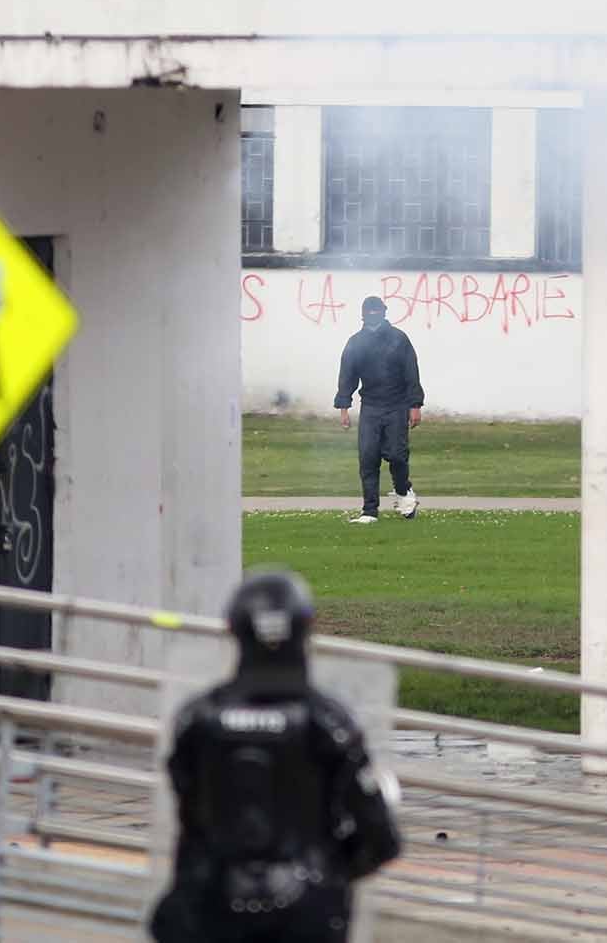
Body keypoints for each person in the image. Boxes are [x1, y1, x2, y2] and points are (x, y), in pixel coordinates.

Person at [149, 570, 401, 943]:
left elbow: (188, 817)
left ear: (234, 629)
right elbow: (380, 838)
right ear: (305, 629)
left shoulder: (197, 721)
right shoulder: (329, 724)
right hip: (306, 914)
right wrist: (330, 869)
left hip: (213, 908)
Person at [334, 296, 424, 524]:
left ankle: (404, 493)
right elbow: (347, 376)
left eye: (377, 311)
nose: (373, 315)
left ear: (384, 313)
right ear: (362, 314)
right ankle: (369, 511)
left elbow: (411, 372)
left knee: (396, 455)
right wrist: (344, 407)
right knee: (368, 457)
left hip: (397, 405)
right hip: (370, 407)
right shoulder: (356, 342)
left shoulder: (399, 339)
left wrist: (415, 405)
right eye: (369, 311)